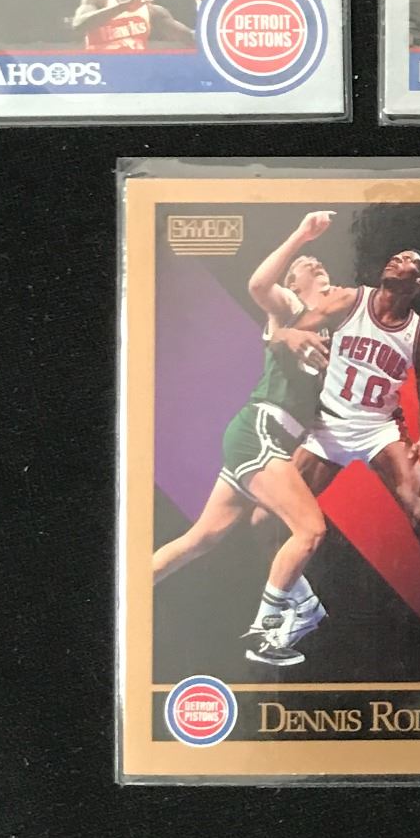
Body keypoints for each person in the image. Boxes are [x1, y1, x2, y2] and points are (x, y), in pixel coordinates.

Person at [252, 216, 420, 678]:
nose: (396, 260)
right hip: (328, 425)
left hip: (380, 429)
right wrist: (289, 335)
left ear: (419, 283)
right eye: (394, 256)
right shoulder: (349, 301)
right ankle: (304, 606)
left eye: (408, 260)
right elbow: (285, 334)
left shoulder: (419, 336)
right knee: (264, 519)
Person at [150, 216, 337, 669]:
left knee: (202, 537)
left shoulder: (333, 329)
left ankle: (131, 589)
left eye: (319, 262)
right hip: (260, 431)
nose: (315, 263)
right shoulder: (290, 306)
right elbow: (257, 285)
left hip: (266, 439)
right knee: (310, 530)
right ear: (292, 283)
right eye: (305, 265)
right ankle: (267, 630)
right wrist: (301, 236)